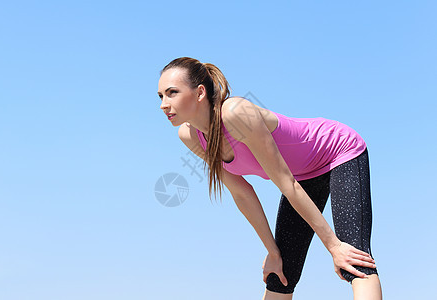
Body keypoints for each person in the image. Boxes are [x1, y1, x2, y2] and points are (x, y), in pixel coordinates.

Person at [157, 57, 382, 300]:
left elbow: (286, 183)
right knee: (280, 273)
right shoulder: (190, 135)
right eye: (160, 96)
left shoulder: (235, 113)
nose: (163, 104)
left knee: (354, 261)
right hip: (302, 175)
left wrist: (334, 246)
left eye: (172, 93)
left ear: (200, 92)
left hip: (338, 152)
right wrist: (272, 252)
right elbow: (242, 193)